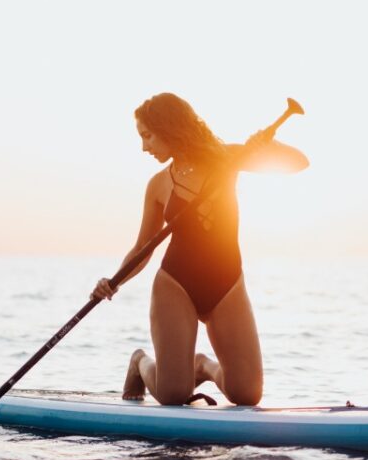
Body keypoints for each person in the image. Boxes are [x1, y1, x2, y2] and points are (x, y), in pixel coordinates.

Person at [91, 93, 308, 407]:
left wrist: (268, 148)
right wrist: (112, 282)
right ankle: (140, 362)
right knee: (172, 394)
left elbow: (299, 163)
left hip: (227, 284)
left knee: (246, 394)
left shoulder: (228, 159)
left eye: (147, 136)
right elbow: (143, 248)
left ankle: (201, 365)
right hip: (175, 284)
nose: (144, 147)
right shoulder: (158, 185)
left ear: (170, 128)